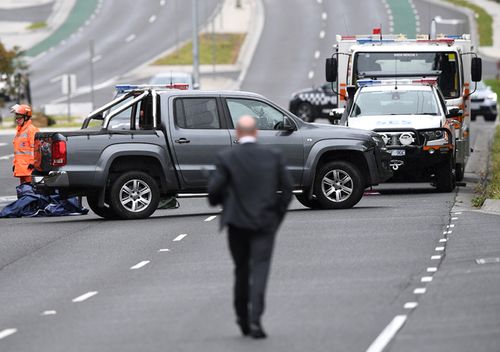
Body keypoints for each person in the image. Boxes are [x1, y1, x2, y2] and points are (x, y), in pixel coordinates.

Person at [208, 115, 293, 339]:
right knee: (260, 269)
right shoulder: (273, 156)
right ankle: (256, 319)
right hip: (265, 222)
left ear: (238, 133)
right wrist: (277, 215)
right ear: (255, 133)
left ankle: (242, 316)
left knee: (241, 270)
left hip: (237, 223)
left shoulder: (226, 158)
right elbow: (287, 189)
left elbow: (213, 193)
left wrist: (221, 199)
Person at [11, 104, 39, 185]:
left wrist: (33, 163)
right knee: (24, 191)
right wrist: (15, 164)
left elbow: (36, 148)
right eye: (16, 117)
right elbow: (19, 151)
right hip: (22, 168)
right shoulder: (20, 131)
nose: (17, 120)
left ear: (26, 117)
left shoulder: (31, 130)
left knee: (30, 192)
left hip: (29, 169)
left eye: (19, 117)